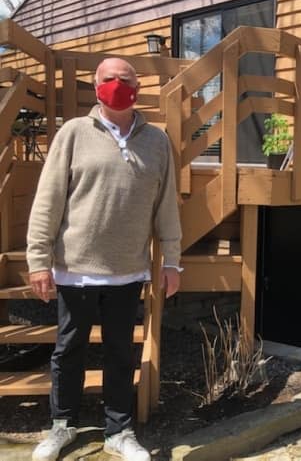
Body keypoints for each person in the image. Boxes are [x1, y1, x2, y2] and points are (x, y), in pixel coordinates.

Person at [27, 58, 182, 461]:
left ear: (138, 86)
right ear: (96, 87)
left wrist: (172, 261)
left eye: (125, 79)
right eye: (108, 79)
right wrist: (38, 259)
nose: (117, 84)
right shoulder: (73, 134)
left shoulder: (158, 141)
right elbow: (48, 200)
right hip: (74, 268)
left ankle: (120, 431)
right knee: (69, 350)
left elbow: (167, 206)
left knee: (119, 352)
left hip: (127, 271)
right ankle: (62, 426)